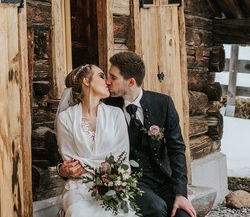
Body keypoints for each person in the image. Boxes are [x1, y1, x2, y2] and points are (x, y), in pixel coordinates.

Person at [60, 52, 196, 217]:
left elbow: (177, 150)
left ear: (131, 82)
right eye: (105, 76)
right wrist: (63, 169)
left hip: (162, 179)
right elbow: (69, 152)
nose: (107, 82)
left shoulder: (162, 104)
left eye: (112, 77)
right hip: (130, 181)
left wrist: (181, 193)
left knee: (183, 215)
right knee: (156, 208)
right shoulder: (107, 104)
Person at [55, 64, 138, 217]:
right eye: (101, 76)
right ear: (86, 81)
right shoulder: (66, 118)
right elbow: (70, 161)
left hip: (111, 185)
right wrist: (100, 163)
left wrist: (86, 164)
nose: (107, 81)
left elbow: (122, 158)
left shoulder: (116, 114)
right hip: (79, 187)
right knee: (78, 213)